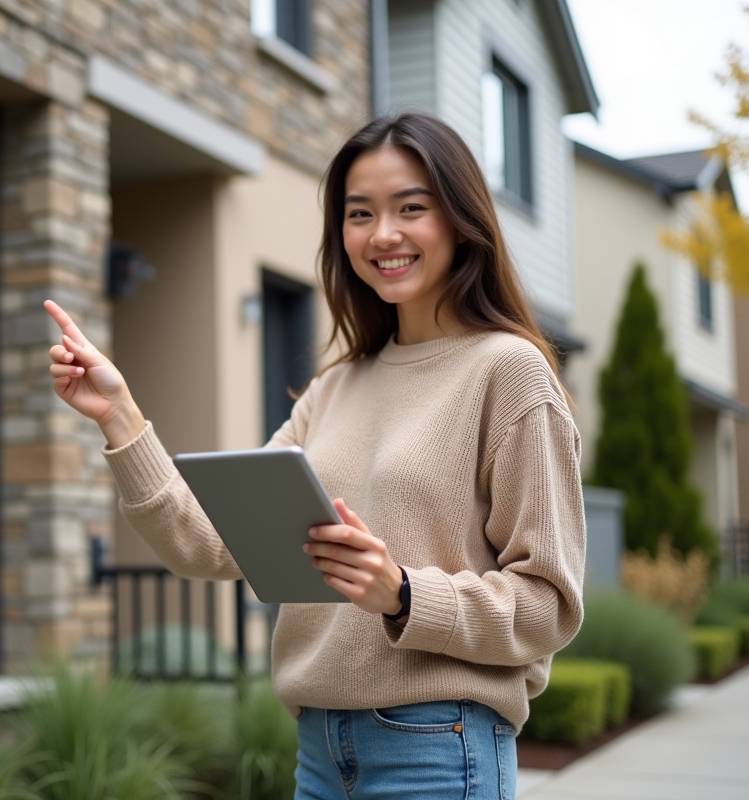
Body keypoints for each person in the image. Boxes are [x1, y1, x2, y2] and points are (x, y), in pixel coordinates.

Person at [44, 113, 586, 800]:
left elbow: (547, 606)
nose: (382, 234)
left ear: (460, 220)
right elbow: (209, 542)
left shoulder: (508, 374)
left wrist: (404, 594)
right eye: (360, 214)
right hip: (320, 754)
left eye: (410, 208)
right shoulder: (335, 388)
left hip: (439, 747)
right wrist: (119, 415)